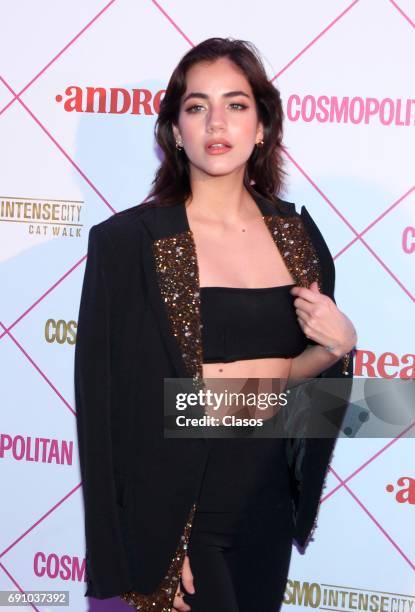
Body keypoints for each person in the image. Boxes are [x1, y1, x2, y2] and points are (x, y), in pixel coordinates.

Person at [74, 37, 357, 612]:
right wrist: (146, 546)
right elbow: (108, 412)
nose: (216, 122)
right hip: (182, 519)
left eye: (236, 104)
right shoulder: (129, 243)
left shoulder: (299, 239)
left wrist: (335, 353)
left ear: (263, 127)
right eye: (197, 107)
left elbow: (292, 398)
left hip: (269, 511)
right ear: (175, 131)